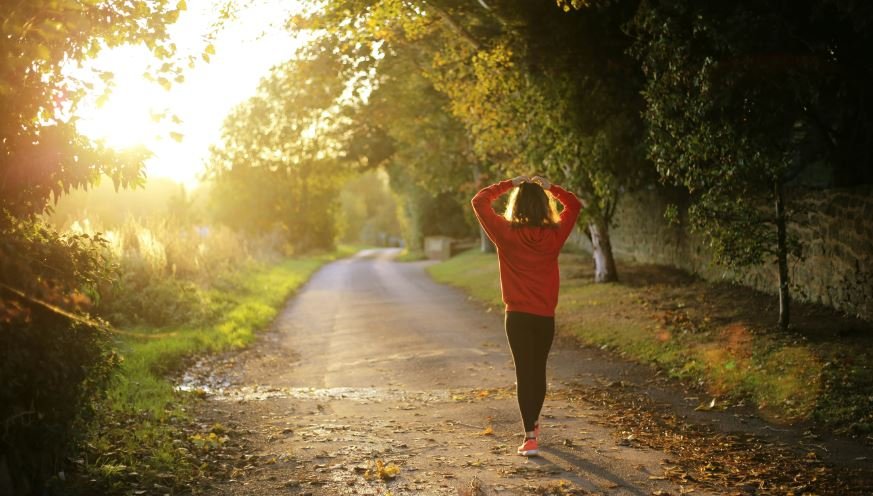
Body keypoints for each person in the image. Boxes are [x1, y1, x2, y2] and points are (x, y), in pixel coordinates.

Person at [471, 174, 583, 457]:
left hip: (517, 316)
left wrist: (510, 183)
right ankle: (533, 423)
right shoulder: (555, 235)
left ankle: (530, 435)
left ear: (516, 205)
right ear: (544, 206)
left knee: (525, 372)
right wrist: (551, 187)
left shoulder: (505, 233)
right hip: (544, 316)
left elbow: (479, 201)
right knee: (538, 370)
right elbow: (574, 204)